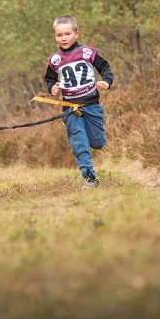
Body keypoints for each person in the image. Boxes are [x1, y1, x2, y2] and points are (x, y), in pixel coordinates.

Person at [44, 14, 114, 189]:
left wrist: (106, 81)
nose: (64, 38)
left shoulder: (88, 52)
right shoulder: (55, 60)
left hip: (91, 105)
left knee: (97, 143)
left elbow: (105, 67)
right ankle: (89, 177)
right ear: (55, 37)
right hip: (70, 108)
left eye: (67, 34)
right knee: (78, 140)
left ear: (76, 33)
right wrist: (52, 88)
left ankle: (96, 140)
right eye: (59, 35)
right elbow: (49, 79)